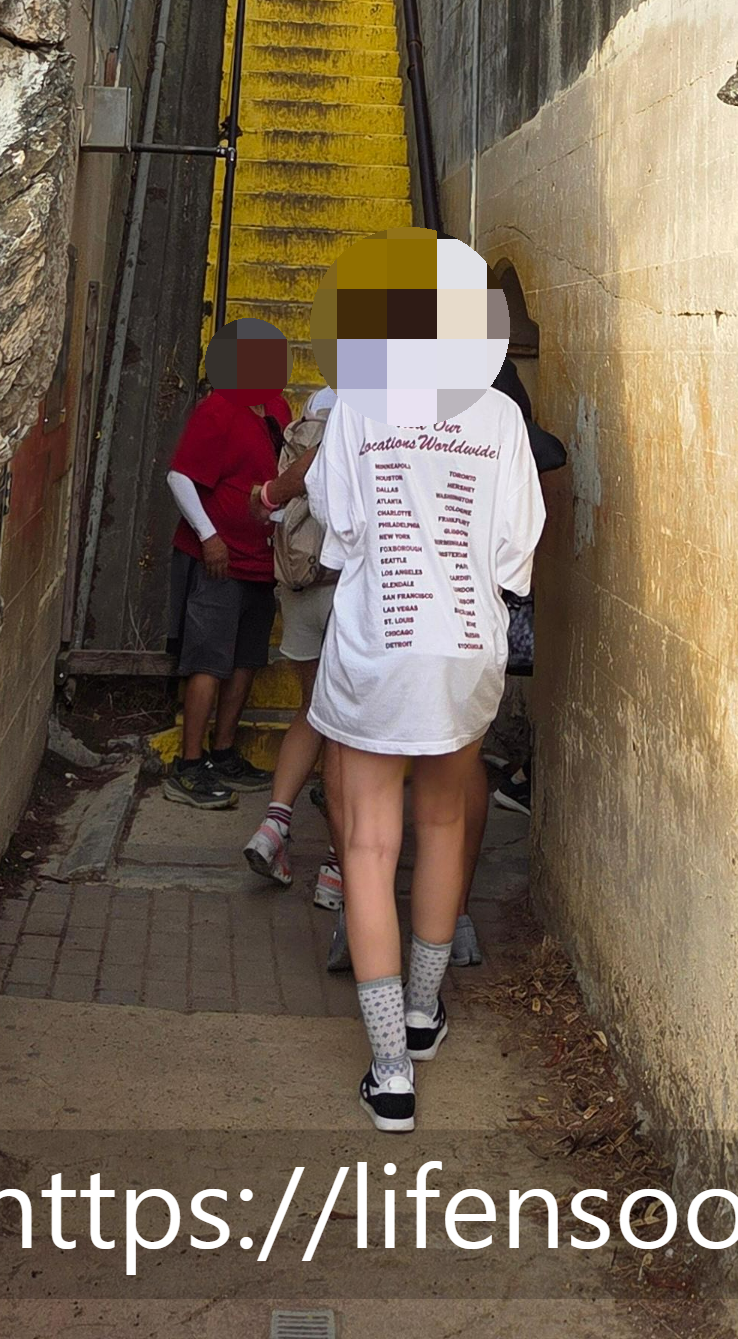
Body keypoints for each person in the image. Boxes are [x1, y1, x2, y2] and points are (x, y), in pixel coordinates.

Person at [288, 235, 544, 1132]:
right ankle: (428, 1013)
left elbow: (338, 525)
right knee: (444, 824)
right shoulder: (501, 417)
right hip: (466, 648)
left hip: (379, 645)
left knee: (367, 846)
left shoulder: (362, 400)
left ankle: (391, 1069)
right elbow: (517, 553)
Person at [159, 317, 290, 809]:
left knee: (246, 660)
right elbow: (180, 477)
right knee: (209, 660)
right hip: (219, 559)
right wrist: (209, 536)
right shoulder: (218, 409)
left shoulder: (275, 406)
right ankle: (188, 765)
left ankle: (224, 751)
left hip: (260, 558)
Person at [241, 388, 345, 910]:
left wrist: (266, 498)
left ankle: (274, 824)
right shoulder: (385, 399)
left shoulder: (316, 399)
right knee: (354, 730)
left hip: (301, 582)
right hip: (350, 588)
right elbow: (315, 463)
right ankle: (337, 865)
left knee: (311, 710)